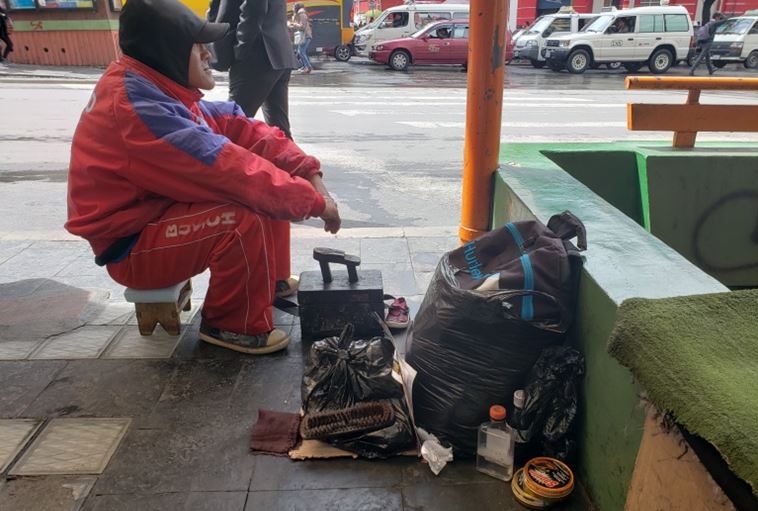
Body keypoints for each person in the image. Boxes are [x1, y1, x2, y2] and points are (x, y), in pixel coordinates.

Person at [65, 0, 341, 355]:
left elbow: (240, 126)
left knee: (269, 186)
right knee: (241, 216)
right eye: (198, 47)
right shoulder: (141, 111)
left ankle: (269, 282)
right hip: (130, 245)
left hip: (152, 214)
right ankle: (232, 326)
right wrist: (317, 203)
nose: (208, 55)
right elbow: (234, 172)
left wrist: (306, 169)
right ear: (168, 53)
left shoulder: (152, 86)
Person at [211, 0, 298, 139]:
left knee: (232, 126)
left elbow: (254, 10)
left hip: (257, 54)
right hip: (277, 51)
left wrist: (241, 49)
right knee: (279, 131)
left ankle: (222, 160)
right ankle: (288, 160)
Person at [289, 3, 313, 74]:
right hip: (303, 36)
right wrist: (291, 26)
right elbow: (298, 26)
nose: (292, 8)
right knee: (302, 52)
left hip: (305, 36)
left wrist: (295, 24)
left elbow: (302, 27)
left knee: (301, 52)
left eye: (293, 7)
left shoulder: (302, 14)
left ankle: (308, 67)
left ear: (297, 7)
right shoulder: (298, 15)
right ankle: (304, 66)